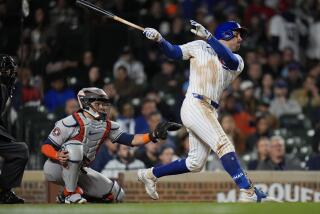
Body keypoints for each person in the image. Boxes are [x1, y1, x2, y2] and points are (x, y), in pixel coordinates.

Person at [138, 20, 275, 202]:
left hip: (209, 108)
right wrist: (160, 39)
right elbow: (174, 52)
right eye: (237, 34)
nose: (241, 39)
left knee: (195, 163)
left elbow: (229, 60)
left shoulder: (238, 60)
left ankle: (150, 174)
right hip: (195, 103)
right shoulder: (199, 45)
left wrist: (209, 37)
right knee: (224, 145)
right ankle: (248, 191)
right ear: (226, 34)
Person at [41, 87, 181, 204]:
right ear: (86, 103)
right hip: (57, 167)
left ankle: (66, 194)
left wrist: (153, 135)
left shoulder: (107, 125)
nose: (102, 107)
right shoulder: (69, 122)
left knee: (116, 195)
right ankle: (70, 194)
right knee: (74, 148)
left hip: (81, 170)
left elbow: (130, 140)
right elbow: (46, 146)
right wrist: (57, 155)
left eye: (104, 104)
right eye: (98, 104)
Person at [0, 55, 29, 204]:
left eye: (10, 71)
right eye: (5, 71)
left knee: (20, 150)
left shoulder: (3, 87)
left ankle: (4, 192)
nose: (10, 75)